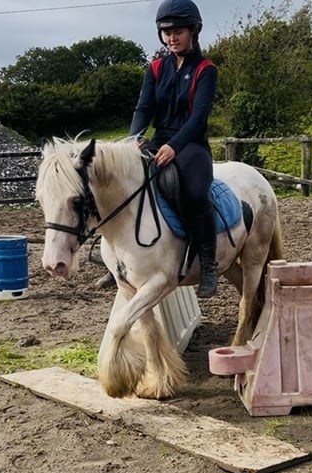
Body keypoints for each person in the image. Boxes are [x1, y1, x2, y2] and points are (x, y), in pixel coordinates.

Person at [130, 0, 220, 298]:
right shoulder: (156, 68)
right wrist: (135, 138)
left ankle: (208, 263)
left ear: (193, 31)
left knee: (195, 193)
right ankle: (126, 257)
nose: (172, 38)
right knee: (128, 182)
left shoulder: (206, 70)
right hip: (159, 139)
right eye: (167, 33)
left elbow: (199, 118)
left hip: (191, 144)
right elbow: (144, 108)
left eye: (178, 32)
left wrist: (174, 146)